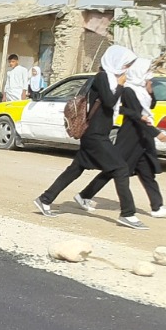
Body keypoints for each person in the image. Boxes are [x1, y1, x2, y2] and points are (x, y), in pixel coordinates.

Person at [32, 45, 145, 229]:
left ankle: (45, 199)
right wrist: (121, 85)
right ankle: (128, 214)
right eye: (125, 64)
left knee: (75, 169)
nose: (126, 69)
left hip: (97, 134)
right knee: (121, 168)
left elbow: (115, 103)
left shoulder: (110, 80)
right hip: (95, 135)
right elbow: (109, 102)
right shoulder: (102, 78)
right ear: (115, 62)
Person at [76, 57, 166, 219]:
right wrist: (156, 133)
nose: (149, 74)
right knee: (112, 170)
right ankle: (85, 195)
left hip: (141, 138)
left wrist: (150, 90)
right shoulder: (128, 90)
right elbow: (134, 116)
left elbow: (150, 106)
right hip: (130, 137)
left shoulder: (142, 90)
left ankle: (157, 207)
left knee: (147, 172)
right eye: (146, 71)